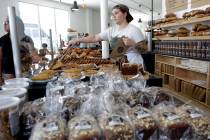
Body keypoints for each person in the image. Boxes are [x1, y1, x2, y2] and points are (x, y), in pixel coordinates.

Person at [68, 4, 145, 66]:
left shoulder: (134, 30)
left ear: (125, 14)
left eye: (116, 13)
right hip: (119, 65)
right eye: (112, 14)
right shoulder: (111, 30)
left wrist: (133, 44)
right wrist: (77, 39)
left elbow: (144, 50)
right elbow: (94, 38)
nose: (113, 16)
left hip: (135, 67)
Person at [0, 17, 15, 84]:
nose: (4, 25)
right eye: (4, 23)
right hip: (8, 72)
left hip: (23, 71)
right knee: (13, 91)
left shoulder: (23, 38)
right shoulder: (3, 39)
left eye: (6, 23)